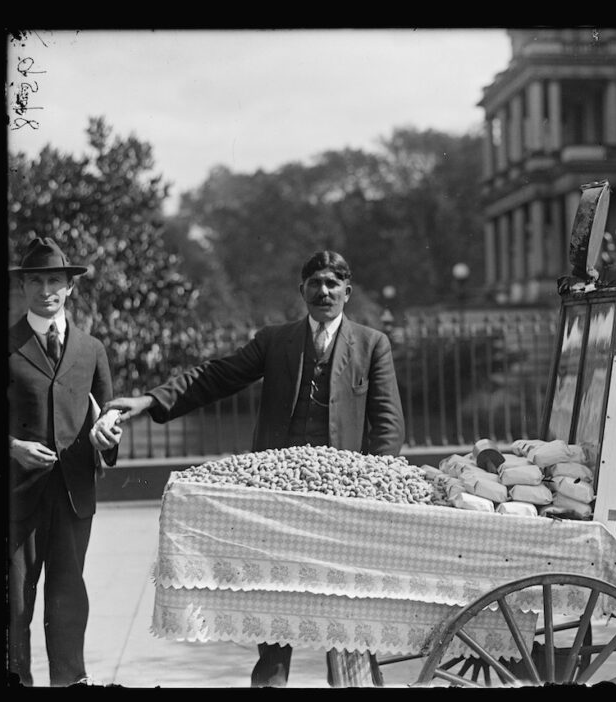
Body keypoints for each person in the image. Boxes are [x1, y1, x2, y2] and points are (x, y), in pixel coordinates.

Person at [105, 250, 405, 687]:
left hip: (344, 500)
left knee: (347, 613)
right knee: (270, 607)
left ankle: (351, 683)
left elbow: (388, 425)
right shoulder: (276, 341)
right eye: (315, 283)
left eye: (332, 284)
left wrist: (371, 490)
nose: (324, 292)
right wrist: (150, 400)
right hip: (276, 495)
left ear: (347, 292)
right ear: (301, 290)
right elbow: (215, 376)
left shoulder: (372, 343)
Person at [8, 238, 124, 687]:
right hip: (16, 494)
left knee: (68, 594)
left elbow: (108, 411)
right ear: (22, 287)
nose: (45, 290)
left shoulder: (91, 348)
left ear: (70, 287)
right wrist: (11, 446)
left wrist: (106, 435)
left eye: (55, 280)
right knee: (14, 599)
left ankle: (69, 681)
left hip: (74, 491)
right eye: (35, 280)